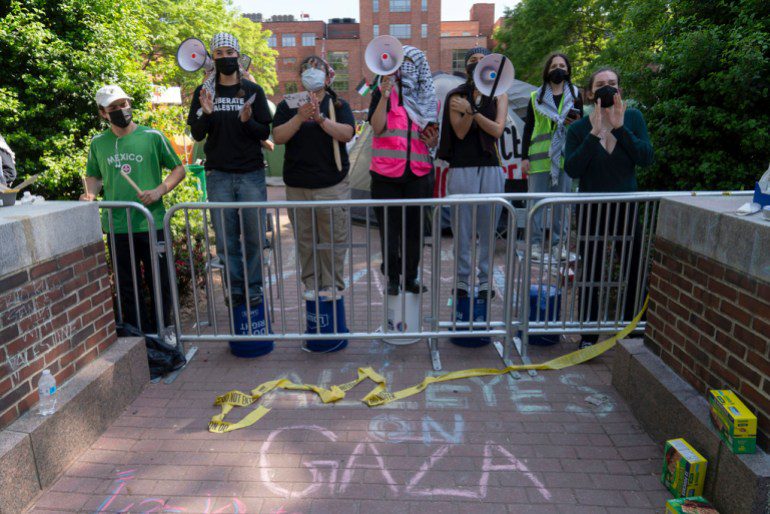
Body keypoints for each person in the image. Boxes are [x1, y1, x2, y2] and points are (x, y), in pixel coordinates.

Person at [80, 85, 186, 335]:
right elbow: (93, 176)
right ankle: (139, 337)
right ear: (103, 113)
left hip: (152, 222)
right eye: (113, 108)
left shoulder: (152, 136)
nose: (120, 110)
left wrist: (160, 190)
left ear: (130, 104)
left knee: (159, 281)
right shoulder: (98, 144)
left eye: (123, 104)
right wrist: (91, 193)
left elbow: (178, 169)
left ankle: (164, 330)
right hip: (116, 224)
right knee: (127, 285)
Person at [564, 67, 654, 348]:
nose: (606, 89)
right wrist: (593, 134)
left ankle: (634, 330)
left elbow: (645, 157)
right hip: (592, 209)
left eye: (612, 84)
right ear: (590, 93)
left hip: (626, 208)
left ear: (620, 91)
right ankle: (589, 335)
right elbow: (572, 168)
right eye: (600, 84)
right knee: (590, 272)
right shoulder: (578, 129)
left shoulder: (634, 118)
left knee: (634, 269)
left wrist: (619, 128)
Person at [187, 32, 273, 308]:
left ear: (238, 55)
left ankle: (254, 288)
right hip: (219, 176)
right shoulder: (204, 93)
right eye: (219, 53)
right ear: (212, 59)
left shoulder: (253, 91)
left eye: (229, 52)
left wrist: (248, 121)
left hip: (251, 174)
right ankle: (235, 290)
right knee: (225, 241)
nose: (225, 58)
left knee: (255, 238)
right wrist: (207, 113)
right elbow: (197, 135)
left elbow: (264, 130)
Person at [272, 56, 355, 300]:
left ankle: (332, 288)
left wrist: (320, 119)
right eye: (306, 69)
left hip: (332, 185)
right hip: (298, 186)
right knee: (305, 242)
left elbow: (347, 133)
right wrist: (299, 117)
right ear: (300, 77)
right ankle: (311, 286)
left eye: (317, 68)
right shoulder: (288, 105)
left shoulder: (338, 105)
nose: (312, 72)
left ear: (327, 77)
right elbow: (278, 137)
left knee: (334, 241)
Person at [438, 47, 508, 299]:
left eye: (482, 60)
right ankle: (462, 280)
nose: (477, 63)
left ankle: (485, 279)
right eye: (472, 60)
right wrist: (469, 110)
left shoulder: (500, 93)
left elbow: (497, 130)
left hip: (491, 167)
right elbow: (459, 132)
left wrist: (472, 111)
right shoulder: (456, 95)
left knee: (488, 227)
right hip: (462, 166)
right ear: (466, 66)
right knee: (463, 228)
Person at [368, 45, 439, 296]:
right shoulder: (383, 92)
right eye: (403, 62)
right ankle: (392, 278)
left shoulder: (428, 98)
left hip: (419, 173)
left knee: (416, 231)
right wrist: (385, 97)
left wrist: (432, 142)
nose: (406, 68)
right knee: (390, 231)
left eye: (412, 62)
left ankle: (410, 277)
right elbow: (376, 127)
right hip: (386, 175)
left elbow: (433, 137)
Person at [521, 53, 582, 261]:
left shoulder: (575, 95)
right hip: (539, 159)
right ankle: (535, 244)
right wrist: (524, 157)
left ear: (568, 70)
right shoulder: (535, 97)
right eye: (554, 65)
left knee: (562, 205)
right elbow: (528, 128)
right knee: (536, 205)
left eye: (562, 65)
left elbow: (580, 126)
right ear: (547, 70)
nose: (558, 69)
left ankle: (559, 245)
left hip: (565, 158)